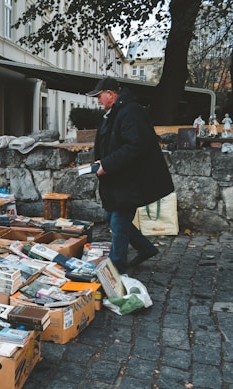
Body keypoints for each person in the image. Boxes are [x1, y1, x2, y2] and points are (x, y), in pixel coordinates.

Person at [87, 77, 174, 273]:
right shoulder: (115, 111)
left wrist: (107, 164)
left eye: (99, 96)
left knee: (118, 221)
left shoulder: (130, 111)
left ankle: (116, 269)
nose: (98, 100)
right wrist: (100, 163)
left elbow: (135, 146)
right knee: (111, 217)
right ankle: (145, 248)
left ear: (111, 94)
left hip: (129, 179)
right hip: (118, 178)